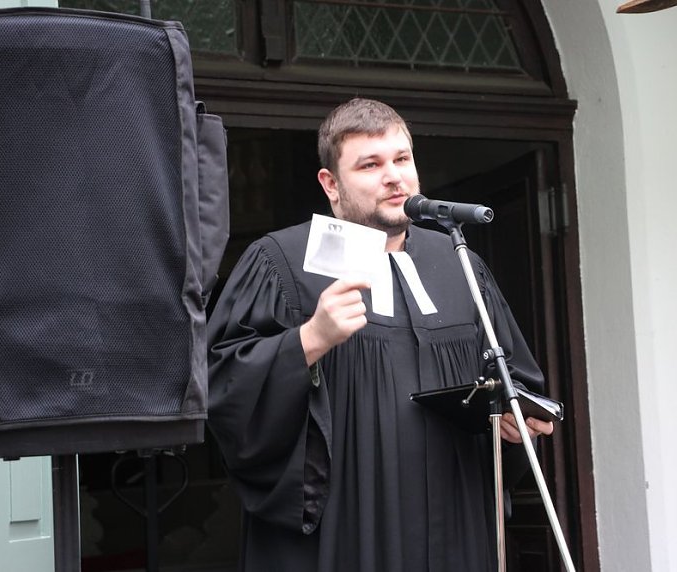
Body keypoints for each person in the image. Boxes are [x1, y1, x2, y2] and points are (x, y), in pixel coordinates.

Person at [206, 98, 554, 572]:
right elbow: (224, 389)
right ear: (331, 184)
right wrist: (310, 339)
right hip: (344, 532)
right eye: (370, 164)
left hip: (453, 526)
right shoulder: (281, 262)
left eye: (402, 159)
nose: (394, 176)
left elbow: (513, 379)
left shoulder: (458, 263)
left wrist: (514, 423)